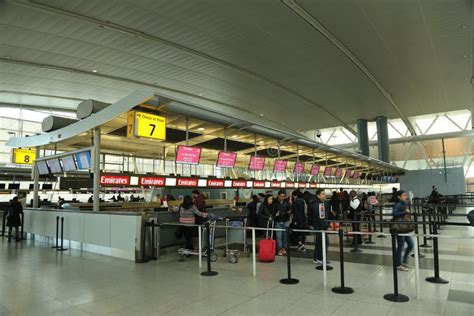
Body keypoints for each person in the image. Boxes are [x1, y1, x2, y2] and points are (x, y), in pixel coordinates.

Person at [392, 190, 414, 272]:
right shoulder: (398, 204)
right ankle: (398, 264)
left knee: (410, 245)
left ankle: (403, 261)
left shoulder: (403, 203)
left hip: (404, 228)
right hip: (399, 228)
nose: (406, 196)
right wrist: (405, 211)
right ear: (399, 196)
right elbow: (394, 213)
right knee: (400, 246)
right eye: (404, 195)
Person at [309, 189, 329, 265]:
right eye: (323, 194)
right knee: (322, 242)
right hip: (320, 226)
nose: (325, 195)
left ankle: (318, 258)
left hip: (319, 226)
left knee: (320, 242)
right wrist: (325, 226)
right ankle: (319, 258)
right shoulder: (318, 205)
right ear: (318, 196)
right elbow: (320, 217)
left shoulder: (319, 203)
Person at [273, 190, 291, 256]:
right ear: (278, 196)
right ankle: (280, 249)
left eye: (283, 196)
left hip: (285, 220)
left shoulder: (287, 202)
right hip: (278, 221)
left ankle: (284, 248)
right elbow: (273, 211)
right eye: (281, 196)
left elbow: (290, 210)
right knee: (279, 236)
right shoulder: (275, 203)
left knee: (285, 236)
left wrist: (289, 212)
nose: (282, 198)